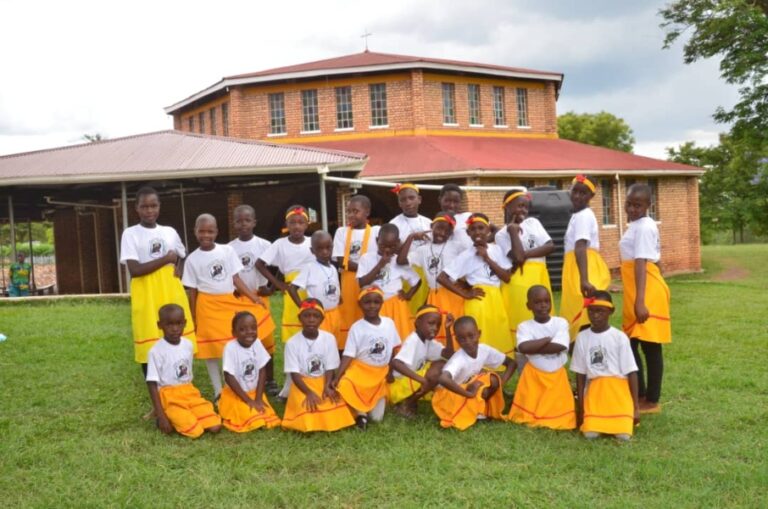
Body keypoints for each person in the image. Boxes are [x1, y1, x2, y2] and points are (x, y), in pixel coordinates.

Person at [182, 213, 271, 399]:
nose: (206, 235)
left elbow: (235, 278)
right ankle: (218, 390)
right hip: (207, 306)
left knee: (231, 343)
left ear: (216, 232)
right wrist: (193, 316)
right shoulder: (192, 259)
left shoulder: (227, 251)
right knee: (211, 348)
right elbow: (193, 290)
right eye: (201, 231)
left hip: (228, 302)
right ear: (195, 232)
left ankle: (234, 385)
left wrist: (253, 298)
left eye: (210, 231)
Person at [119, 186, 195, 378]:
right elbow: (134, 270)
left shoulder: (169, 231)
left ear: (159, 206)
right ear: (137, 208)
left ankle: (178, 383)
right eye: (144, 207)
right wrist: (166, 259)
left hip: (170, 288)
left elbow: (182, 254)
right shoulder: (131, 233)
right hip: (146, 290)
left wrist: (180, 267)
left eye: (153, 206)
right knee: (149, 338)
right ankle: (155, 390)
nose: (149, 210)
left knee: (175, 334)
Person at [620, 183, 671, 414]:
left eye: (638, 205)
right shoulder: (639, 225)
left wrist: (640, 301)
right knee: (630, 344)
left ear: (648, 205)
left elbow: (641, 262)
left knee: (650, 346)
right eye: (629, 204)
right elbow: (656, 260)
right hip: (640, 288)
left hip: (645, 291)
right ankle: (640, 393)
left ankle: (651, 400)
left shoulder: (643, 227)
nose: (632, 209)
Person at [437, 213, 515, 357]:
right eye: (473, 229)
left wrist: (486, 258)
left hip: (496, 299)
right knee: (481, 335)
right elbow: (442, 278)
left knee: (497, 332)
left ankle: (500, 364)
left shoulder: (496, 250)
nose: (477, 232)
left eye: (481, 228)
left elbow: (506, 277)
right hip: (478, 301)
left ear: (488, 230)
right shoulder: (466, 255)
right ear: (468, 233)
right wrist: (465, 294)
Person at [571, 291, 640, 441]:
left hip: (618, 393)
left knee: (623, 436)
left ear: (611, 311)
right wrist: (581, 408)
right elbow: (580, 375)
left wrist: (635, 408)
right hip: (595, 393)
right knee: (590, 434)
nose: (595, 316)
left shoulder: (619, 337)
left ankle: (623, 417)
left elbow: (632, 372)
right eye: (591, 311)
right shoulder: (582, 337)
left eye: (600, 311)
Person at [145, 304, 221, 438]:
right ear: (160, 325)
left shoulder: (188, 345)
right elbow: (151, 384)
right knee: (195, 431)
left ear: (185, 323)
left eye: (179, 323)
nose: (175, 329)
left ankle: (185, 414)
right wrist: (161, 415)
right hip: (170, 396)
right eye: (169, 324)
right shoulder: (156, 351)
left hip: (189, 392)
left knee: (215, 426)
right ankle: (168, 415)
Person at [506, 286, 576, 430]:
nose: (543, 305)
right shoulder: (524, 326)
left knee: (559, 409)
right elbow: (523, 348)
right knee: (531, 408)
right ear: (528, 306)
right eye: (537, 302)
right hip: (534, 375)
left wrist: (534, 347)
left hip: (557, 374)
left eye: (547, 301)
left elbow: (560, 346)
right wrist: (546, 340)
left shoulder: (560, 322)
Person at [281, 299, 356, 433]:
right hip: (303, 384)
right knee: (307, 407)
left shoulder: (329, 338)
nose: (311, 320)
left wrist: (327, 386)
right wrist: (309, 393)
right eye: (307, 316)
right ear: (299, 318)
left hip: (323, 381)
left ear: (322, 319)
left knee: (332, 402)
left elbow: (330, 367)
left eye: (315, 316)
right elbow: (294, 374)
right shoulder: (292, 343)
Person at [228, 204, 279, 395]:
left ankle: (270, 380)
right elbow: (228, 274)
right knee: (241, 338)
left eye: (247, 220)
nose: (243, 224)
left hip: (260, 298)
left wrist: (272, 287)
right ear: (234, 223)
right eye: (239, 221)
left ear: (254, 222)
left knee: (265, 339)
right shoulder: (229, 248)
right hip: (239, 300)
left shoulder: (264, 245)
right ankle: (243, 377)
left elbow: (280, 266)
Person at [432, 316, 517, 430]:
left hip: (467, 387)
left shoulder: (484, 350)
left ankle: (478, 409)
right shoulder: (459, 359)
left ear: (479, 334)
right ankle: (473, 411)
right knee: (478, 386)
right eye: (462, 339)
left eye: (471, 336)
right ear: (457, 340)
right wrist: (468, 394)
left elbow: (512, 363)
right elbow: (443, 379)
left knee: (492, 380)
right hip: (448, 396)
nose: (468, 342)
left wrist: (501, 385)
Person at [334, 286, 401, 430]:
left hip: (380, 374)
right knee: (344, 385)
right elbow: (348, 355)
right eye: (367, 302)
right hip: (360, 372)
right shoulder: (356, 327)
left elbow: (393, 350)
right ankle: (360, 415)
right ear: (360, 304)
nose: (372, 306)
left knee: (377, 418)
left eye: (376, 302)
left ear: (382, 303)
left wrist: (390, 371)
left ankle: (364, 411)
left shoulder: (389, 323)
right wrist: (337, 377)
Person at [496, 190, 555, 337]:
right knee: (522, 319)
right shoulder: (501, 234)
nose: (523, 210)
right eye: (520, 206)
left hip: (540, 275)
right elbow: (517, 258)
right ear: (507, 206)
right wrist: (513, 231)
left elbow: (550, 246)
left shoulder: (533, 223)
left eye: (526, 207)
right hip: (519, 282)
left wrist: (525, 254)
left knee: (543, 315)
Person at [401, 211, 464, 346]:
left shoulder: (457, 246)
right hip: (434, 295)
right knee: (436, 330)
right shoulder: (422, 250)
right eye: (439, 228)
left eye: (447, 231)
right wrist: (411, 237)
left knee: (454, 327)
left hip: (453, 294)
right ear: (431, 227)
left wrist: (466, 285)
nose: (442, 233)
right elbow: (401, 261)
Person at [560, 174, 611, 340]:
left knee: (582, 314)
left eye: (583, 193)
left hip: (582, 268)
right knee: (580, 313)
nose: (577, 196)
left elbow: (580, 246)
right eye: (574, 191)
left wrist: (584, 279)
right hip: (577, 265)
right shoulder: (578, 215)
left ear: (591, 196)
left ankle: (584, 349)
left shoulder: (583, 216)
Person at [256, 205, 314, 345]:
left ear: (307, 225)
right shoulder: (280, 244)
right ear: (286, 224)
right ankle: (294, 349)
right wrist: (277, 285)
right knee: (294, 320)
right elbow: (260, 264)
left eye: (301, 223)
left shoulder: (312, 241)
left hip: (312, 286)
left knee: (312, 317)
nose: (296, 226)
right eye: (292, 222)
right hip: (292, 289)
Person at [356, 223, 421, 340]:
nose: (387, 249)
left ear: (398, 243)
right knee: (379, 338)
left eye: (391, 246)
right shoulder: (366, 258)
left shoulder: (398, 261)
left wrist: (408, 295)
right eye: (383, 246)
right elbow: (362, 283)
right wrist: (380, 265)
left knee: (401, 338)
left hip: (396, 306)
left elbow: (417, 281)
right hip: (375, 306)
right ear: (377, 240)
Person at [219, 311, 281, 433]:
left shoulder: (257, 343)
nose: (249, 332)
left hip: (255, 393)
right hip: (237, 394)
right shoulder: (230, 348)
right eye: (243, 329)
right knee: (251, 417)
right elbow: (228, 376)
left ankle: (255, 408)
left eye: (253, 328)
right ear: (234, 333)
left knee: (266, 414)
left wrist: (258, 398)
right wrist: (248, 400)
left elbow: (262, 370)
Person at [389, 304, 454, 417]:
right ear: (418, 323)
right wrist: (422, 380)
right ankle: (406, 404)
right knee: (437, 369)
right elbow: (396, 363)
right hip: (399, 387)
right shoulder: (413, 340)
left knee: (443, 365)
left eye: (438, 325)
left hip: (411, 382)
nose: (435, 328)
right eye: (431, 323)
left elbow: (448, 354)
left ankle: (411, 400)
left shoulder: (428, 341)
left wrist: (447, 329)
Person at [332, 194, 380, 346]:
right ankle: (346, 347)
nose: (351, 215)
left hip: (370, 281)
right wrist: (367, 269)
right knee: (348, 314)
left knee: (368, 311)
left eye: (355, 211)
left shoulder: (376, 232)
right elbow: (342, 261)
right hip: (349, 281)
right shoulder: (342, 232)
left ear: (367, 212)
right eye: (349, 211)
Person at [289, 231, 342, 348]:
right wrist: (303, 307)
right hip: (320, 316)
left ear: (332, 247)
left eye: (328, 248)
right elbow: (292, 288)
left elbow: (335, 285)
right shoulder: (309, 268)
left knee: (333, 344)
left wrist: (339, 297)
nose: (325, 252)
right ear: (312, 251)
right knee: (320, 345)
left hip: (335, 313)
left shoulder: (333, 268)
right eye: (320, 249)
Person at [389, 182, 432, 312]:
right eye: (403, 200)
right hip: (407, 274)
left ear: (419, 199)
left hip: (428, 271)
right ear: (399, 203)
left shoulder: (429, 222)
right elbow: (393, 252)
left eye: (411, 198)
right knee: (409, 311)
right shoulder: (394, 224)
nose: (408, 203)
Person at [437, 183, 472, 249]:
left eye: (456, 202)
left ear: (460, 202)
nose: (451, 205)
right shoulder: (437, 221)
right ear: (440, 200)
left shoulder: (468, 217)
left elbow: (490, 229)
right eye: (447, 201)